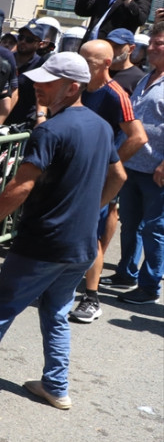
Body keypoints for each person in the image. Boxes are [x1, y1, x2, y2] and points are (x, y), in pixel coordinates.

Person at [0, 52, 125, 408]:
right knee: (57, 312)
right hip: (80, 244)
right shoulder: (101, 127)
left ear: (73, 86)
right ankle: (57, 386)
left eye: (48, 82)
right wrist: (90, 209)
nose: (38, 87)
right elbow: (118, 176)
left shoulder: (51, 130)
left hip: (44, 241)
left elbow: (21, 185)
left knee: (0, 307)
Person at [66, 40, 146, 324]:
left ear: (106, 65)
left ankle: (91, 297)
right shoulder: (77, 87)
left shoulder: (115, 94)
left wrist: (109, 164)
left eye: (89, 62)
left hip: (97, 178)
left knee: (90, 236)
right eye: (81, 58)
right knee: (69, 230)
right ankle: (60, 287)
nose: (82, 65)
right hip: (73, 174)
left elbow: (138, 137)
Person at [110, 22, 164, 305]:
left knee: (156, 230)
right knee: (130, 224)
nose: (153, 47)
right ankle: (126, 273)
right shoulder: (146, 78)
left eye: (160, 43)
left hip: (157, 171)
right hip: (133, 166)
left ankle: (149, 287)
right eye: (152, 42)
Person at [5, 20, 47, 127]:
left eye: (29, 39)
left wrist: (41, 119)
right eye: (21, 37)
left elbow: (41, 96)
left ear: (39, 44)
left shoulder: (41, 66)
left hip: (22, 126)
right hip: (0, 120)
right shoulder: (7, 59)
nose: (23, 41)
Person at [105, 28, 147, 95]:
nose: (112, 50)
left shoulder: (139, 78)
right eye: (109, 45)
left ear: (131, 49)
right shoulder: (100, 70)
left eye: (117, 46)